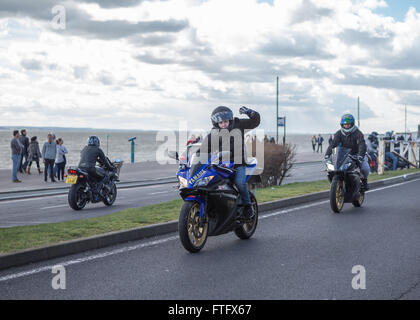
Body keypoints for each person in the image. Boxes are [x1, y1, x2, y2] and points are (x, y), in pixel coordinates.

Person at [199, 106, 260, 220]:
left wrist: (250, 112)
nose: (223, 124)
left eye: (225, 121)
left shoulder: (239, 125)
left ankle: (248, 206)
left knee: (239, 183)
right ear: (216, 123)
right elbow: (203, 149)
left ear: (230, 120)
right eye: (220, 122)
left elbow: (255, 122)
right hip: (221, 164)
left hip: (238, 163)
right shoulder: (214, 133)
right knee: (210, 183)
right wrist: (194, 157)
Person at [325, 114, 370, 191]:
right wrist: (327, 155)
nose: (346, 126)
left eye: (348, 124)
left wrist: (360, 156)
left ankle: (364, 181)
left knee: (364, 168)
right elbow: (333, 144)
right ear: (342, 125)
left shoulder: (358, 133)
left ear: (352, 124)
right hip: (343, 155)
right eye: (345, 124)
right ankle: (336, 184)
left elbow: (362, 145)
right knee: (331, 169)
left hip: (356, 154)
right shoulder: (338, 133)